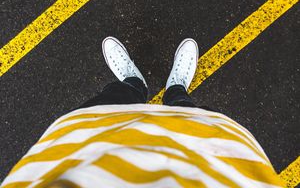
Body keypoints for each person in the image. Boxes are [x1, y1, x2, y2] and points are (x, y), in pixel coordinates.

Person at [2, 37, 282, 188]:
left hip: (85, 146)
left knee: (109, 102)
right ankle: (175, 92)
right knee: (189, 114)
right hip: (210, 167)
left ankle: (135, 85)